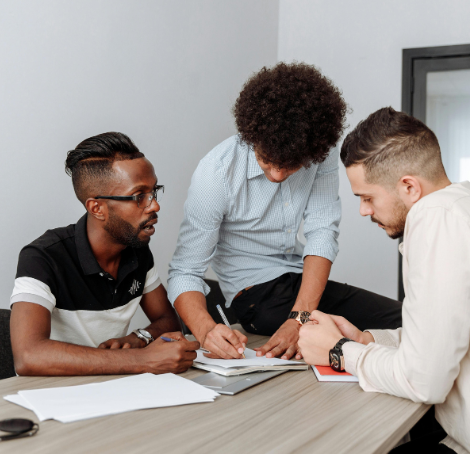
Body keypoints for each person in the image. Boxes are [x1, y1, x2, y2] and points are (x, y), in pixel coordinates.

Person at [298, 107, 470, 454]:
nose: (363, 210)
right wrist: (366, 340)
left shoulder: (437, 221)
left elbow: (423, 381)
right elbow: (446, 336)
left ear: (409, 186)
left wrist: (339, 351)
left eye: (367, 197)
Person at [168, 63, 402, 361]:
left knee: (403, 319)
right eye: (267, 161)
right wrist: (206, 331)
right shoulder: (216, 173)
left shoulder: (320, 152)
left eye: (291, 166)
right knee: (377, 326)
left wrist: (299, 318)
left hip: (297, 282)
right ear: (252, 137)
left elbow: (322, 233)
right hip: (256, 297)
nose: (278, 175)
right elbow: (184, 271)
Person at [10, 132, 199, 376]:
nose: (155, 205)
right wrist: (142, 360)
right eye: (139, 196)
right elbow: (28, 355)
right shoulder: (43, 257)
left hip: (114, 385)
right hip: (52, 391)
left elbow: (168, 321)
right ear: (97, 208)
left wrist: (139, 338)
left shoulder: (136, 248)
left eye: (154, 191)